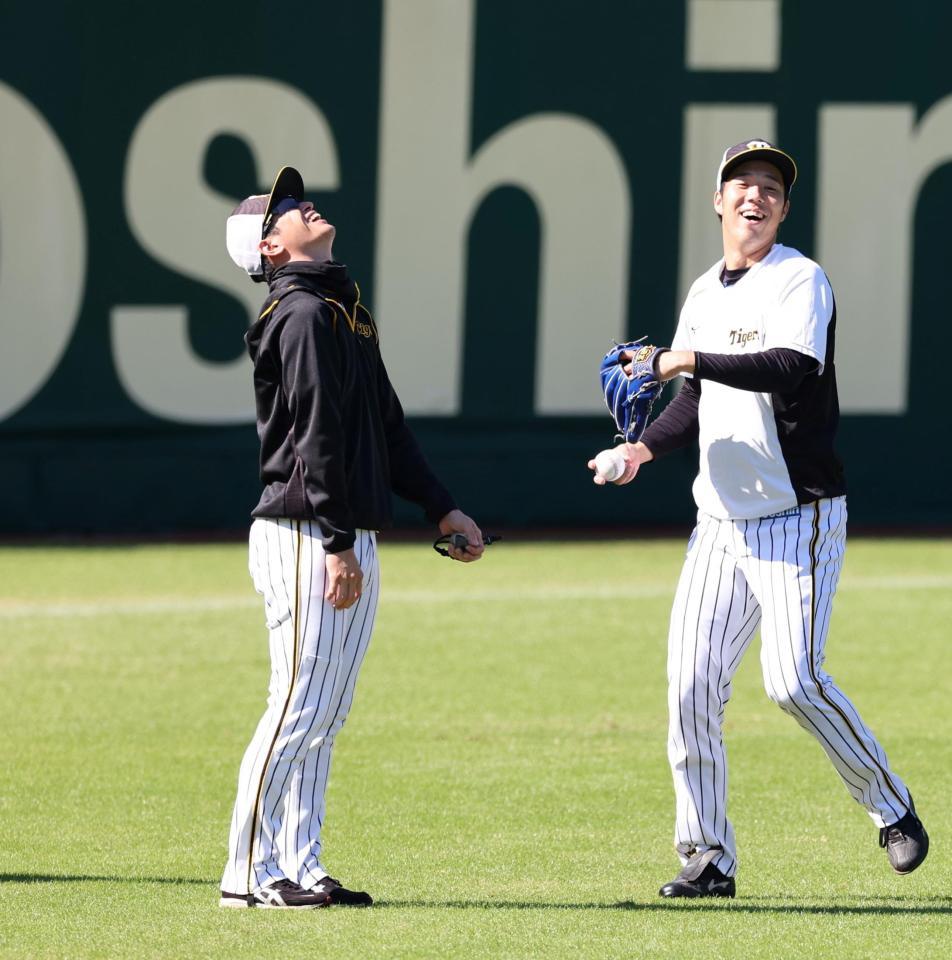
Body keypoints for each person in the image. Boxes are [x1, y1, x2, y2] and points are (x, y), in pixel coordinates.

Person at [589, 140, 928, 898]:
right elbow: (694, 402)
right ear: (717, 201)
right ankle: (708, 858)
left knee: (794, 680)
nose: (756, 194)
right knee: (689, 686)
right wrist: (639, 449)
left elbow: (790, 367)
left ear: (783, 207)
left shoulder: (799, 279)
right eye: (742, 182)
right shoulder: (705, 293)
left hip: (794, 517)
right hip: (720, 524)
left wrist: (689, 359)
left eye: (771, 185)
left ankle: (891, 805)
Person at [220, 166, 485, 909]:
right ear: (270, 248)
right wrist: (337, 541)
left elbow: (385, 425)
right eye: (284, 208)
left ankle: (299, 864)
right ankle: (246, 872)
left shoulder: (340, 310)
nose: (302, 204)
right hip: (308, 531)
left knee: (325, 711)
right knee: (299, 703)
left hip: (337, 530)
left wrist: (442, 507)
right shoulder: (300, 314)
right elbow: (315, 437)